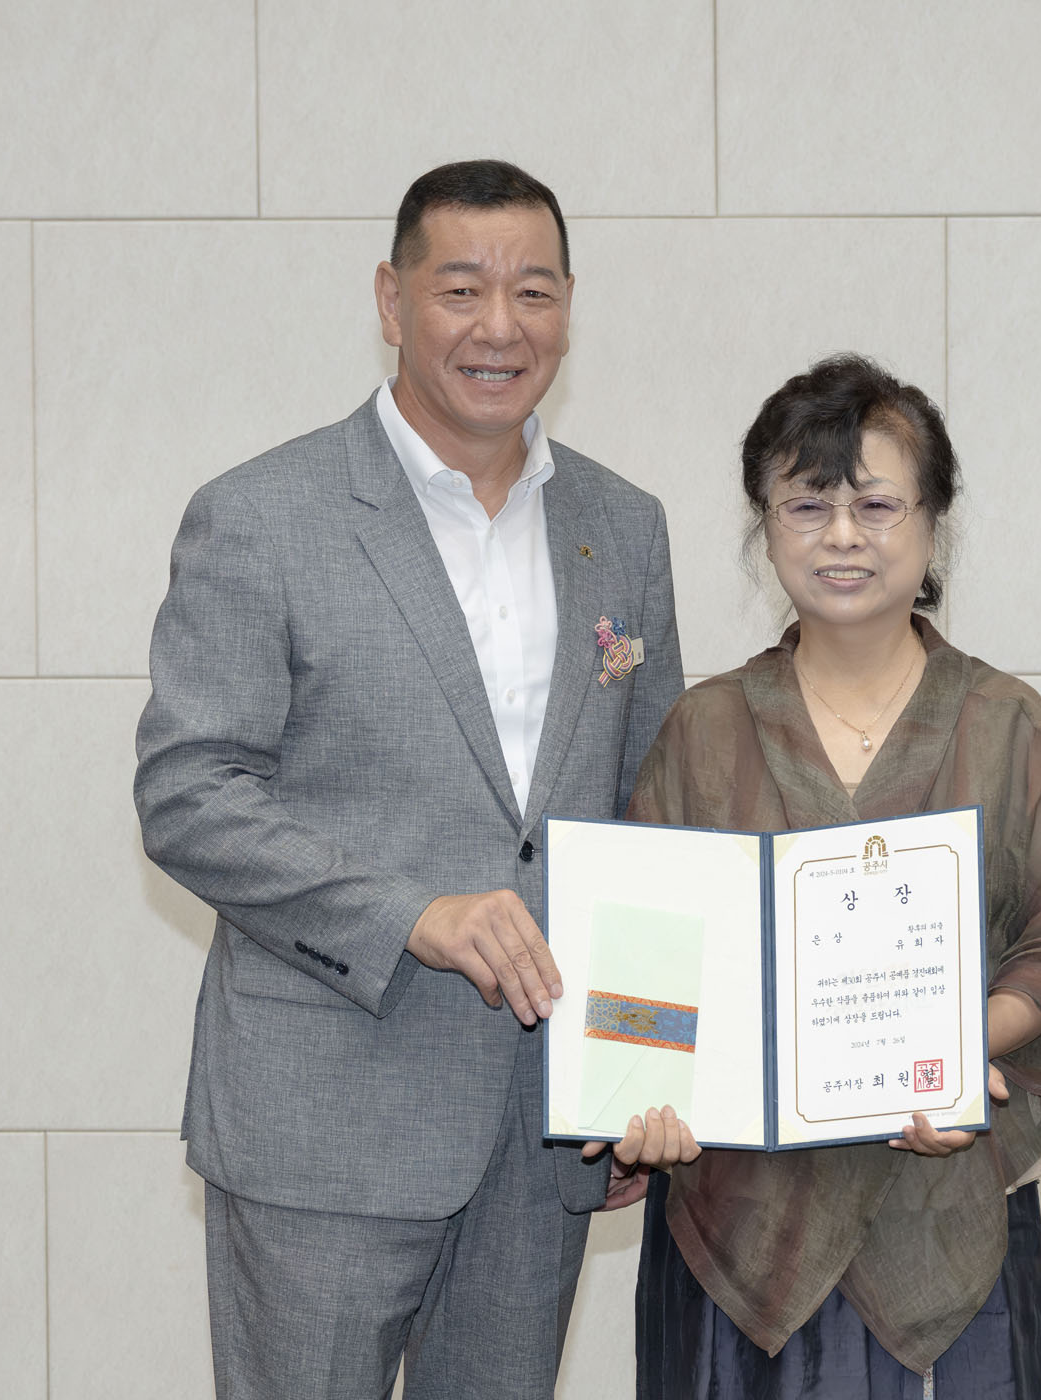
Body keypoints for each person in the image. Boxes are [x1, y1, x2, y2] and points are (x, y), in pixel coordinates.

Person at [134, 159, 692, 1399]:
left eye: (534, 292)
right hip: (323, 1119)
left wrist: (639, 1070)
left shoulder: (623, 525)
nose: (501, 326)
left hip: (543, 1131)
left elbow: (652, 820)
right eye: (461, 289)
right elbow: (188, 791)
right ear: (391, 300)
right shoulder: (263, 514)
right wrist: (411, 914)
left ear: (569, 309)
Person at [619, 354, 1041, 1399]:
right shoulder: (704, 730)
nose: (842, 534)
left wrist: (952, 1049)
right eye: (808, 504)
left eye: (877, 504)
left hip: (950, 1228)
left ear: (933, 524)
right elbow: (642, 964)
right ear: (765, 527)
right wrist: (637, 1088)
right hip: (742, 1242)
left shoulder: (1005, 724)